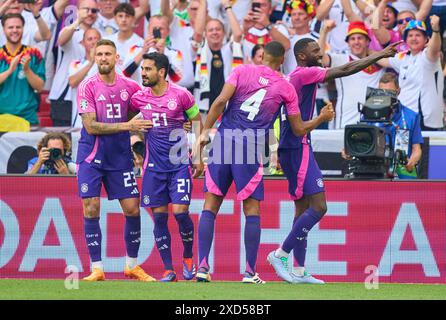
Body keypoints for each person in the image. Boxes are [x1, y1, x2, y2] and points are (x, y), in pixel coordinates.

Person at [195, 41, 334, 284]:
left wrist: (205, 131)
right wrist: (321, 118)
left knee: (211, 204)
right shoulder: (285, 86)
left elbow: (219, 102)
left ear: (262, 56)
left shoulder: (241, 71)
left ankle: (202, 267)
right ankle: (249, 273)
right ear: (282, 60)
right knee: (251, 209)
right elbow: (299, 128)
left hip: (224, 140)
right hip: (250, 147)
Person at [267, 38, 400, 284]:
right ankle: (280, 254)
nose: (321, 52)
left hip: (293, 146)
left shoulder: (296, 76)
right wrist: (379, 55)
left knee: (303, 209)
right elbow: (346, 69)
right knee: (319, 207)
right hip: (297, 146)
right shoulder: (305, 74)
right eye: (315, 50)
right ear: (303, 56)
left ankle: (299, 270)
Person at [77, 39, 155, 282]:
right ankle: (97, 268)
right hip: (91, 156)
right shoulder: (87, 86)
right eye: (99, 54)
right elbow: (90, 125)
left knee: (133, 210)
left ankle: (131, 266)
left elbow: (152, 106)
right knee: (91, 207)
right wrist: (128, 126)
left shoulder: (130, 86)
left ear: (116, 58)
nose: (102, 58)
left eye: (107, 54)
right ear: (94, 56)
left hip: (120, 157)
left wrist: (181, 121)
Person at [130, 52, 204, 282]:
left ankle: (189, 257)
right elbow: (129, 121)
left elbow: (198, 122)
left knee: (180, 213)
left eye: (148, 69)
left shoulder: (182, 95)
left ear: (161, 72)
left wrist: (199, 157)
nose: (143, 73)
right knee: (160, 218)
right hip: (153, 167)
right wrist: (135, 136)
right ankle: (168, 269)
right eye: (142, 69)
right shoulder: (138, 98)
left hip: (179, 164)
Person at [342, 72, 423, 179]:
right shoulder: (368, 114)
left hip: (401, 170)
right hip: (374, 169)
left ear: (398, 91)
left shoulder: (411, 116)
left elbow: (416, 149)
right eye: (381, 92)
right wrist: (348, 150)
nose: (384, 96)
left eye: (389, 92)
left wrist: (412, 161)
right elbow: (358, 142)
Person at [378, 17, 444, 131]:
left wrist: (436, 31)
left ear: (426, 39)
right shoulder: (403, 56)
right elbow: (382, 60)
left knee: (423, 149)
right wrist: (367, 53)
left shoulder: (428, 56)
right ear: (405, 39)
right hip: (404, 117)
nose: (414, 38)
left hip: (424, 118)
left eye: (418, 35)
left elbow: (435, 48)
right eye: (410, 35)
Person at [319, 20, 386, 129]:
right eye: (352, 39)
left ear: (367, 42)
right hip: (345, 123)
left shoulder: (379, 63)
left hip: (373, 125)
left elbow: (393, 62)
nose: (356, 42)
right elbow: (320, 59)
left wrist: (375, 55)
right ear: (348, 43)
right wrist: (324, 32)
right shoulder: (340, 60)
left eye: (360, 38)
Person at [0, 13, 45, 126]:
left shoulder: (34, 54)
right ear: (3, 29)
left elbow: (39, 87)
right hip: (2, 119)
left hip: (27, 119)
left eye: (18, 27)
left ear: (23, 28)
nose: (15, 30)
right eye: (10, 27)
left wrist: (27, 70)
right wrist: (10, 70)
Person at [68, 27, 101, 128]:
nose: (93, 42)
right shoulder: (76, 64)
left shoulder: (107, 64)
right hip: (80, 120)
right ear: (83, 43)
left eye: (96, 39)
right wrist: (91, 62)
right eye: (90, 39)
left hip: (102, 118)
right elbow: (72, 82)